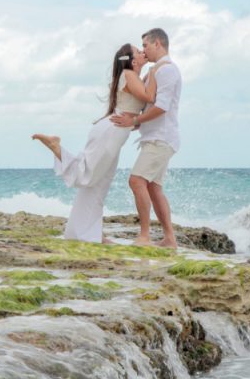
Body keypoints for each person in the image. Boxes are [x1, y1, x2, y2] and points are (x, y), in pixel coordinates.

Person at [32, 43, 158, 243]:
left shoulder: (134, 76)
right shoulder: (130, 75)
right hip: (110, 132)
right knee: (88, 175)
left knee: (99, 184)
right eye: (138, 51)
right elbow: (149, 96)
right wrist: (154, 70)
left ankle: (89, 233)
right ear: (132, 60)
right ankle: (57, 147)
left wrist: (134, 122)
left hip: (115, 132)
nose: (143, 53)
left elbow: (134, 106)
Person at [110, 28, 181, 249]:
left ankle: (144, 236)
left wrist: (134, 122)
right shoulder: (155, 70)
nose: (144, 50)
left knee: (136, 181)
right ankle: (169, 239)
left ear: (157, 44)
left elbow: (161, 106)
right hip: (156, 137)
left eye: (146, 46)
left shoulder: (166, 70)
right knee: (153, 187)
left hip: (161, 137)